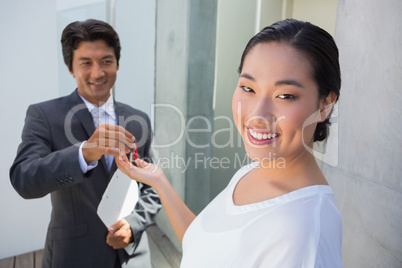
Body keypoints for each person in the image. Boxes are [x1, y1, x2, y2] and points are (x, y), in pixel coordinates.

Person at [115, 18, 343, 267]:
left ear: (324, 105)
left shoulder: (303, 234)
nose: (257, 114)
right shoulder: (255, 169)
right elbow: (204, 246)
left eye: (285, 96)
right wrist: (159, 180)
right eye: (248, 88)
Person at [10, 19, 161, 268]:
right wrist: (82, 154)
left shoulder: (138, 120)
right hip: (74, 255)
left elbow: (152, 187)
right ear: (70, 67)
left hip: (134, 257)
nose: (98, 72)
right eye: (86, 63)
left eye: (106, 61)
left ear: (117, 64)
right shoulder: (44, 116)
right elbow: (23, 179)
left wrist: (133, 225)